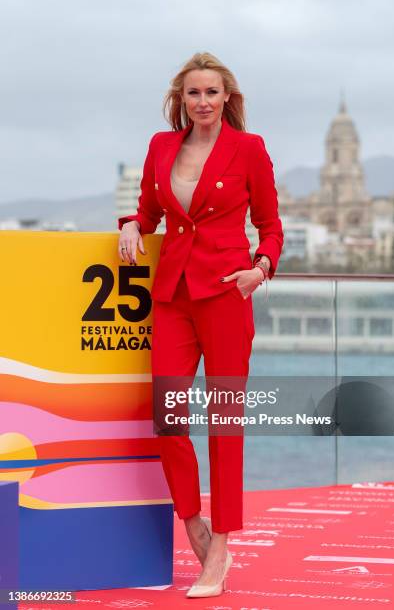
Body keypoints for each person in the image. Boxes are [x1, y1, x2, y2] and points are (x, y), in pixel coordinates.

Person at [117, 51, 283, 598]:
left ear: (227, 98)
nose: (203, 102)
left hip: (227, 295)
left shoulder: (249, 149)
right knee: (167, 418)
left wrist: (260, 268)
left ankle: (224, 548)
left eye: (213, 93)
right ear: (180, 99)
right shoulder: (162, 146)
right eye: (194, 93)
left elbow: (271, 226)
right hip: (172, 297)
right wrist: (131, 228)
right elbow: (149, 210)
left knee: (225, 424)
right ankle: (194, 525)